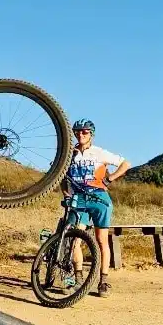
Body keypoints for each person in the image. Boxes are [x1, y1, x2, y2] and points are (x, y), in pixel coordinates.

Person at [63, 118, 131, 298]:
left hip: (99, 197)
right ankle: (78, 278)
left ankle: (103, 281)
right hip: (78, 198)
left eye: (84, 131)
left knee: (102, 241)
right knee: (74, 239)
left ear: (91, 134)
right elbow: (62, 176)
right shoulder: (69, 154)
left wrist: (110, 179)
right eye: (77, 131)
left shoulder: (99, 152)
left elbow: (125, 163)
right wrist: (66, 194)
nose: (81, 134)